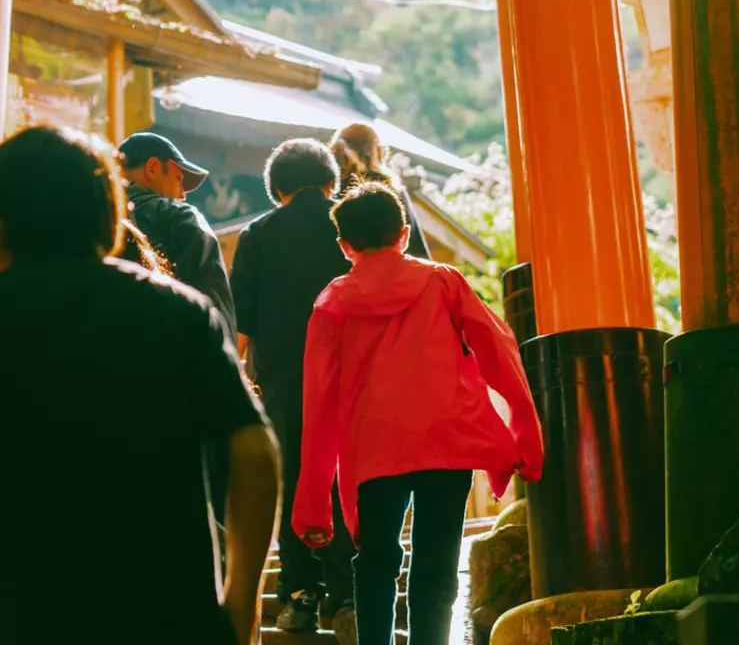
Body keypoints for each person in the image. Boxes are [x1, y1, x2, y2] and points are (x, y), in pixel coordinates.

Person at [0, 125, 280, 644]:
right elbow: (256, 454)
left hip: (17, 624)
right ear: (107, 221)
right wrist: (239, 605)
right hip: (172, 619)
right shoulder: (182, 314)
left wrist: (2, 586)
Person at [294, 183, 543, 645]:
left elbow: (318, 399)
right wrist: (524, 426)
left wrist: (312, 498)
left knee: (375, 561)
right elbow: (498, 346)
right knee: (437, 563)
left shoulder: (332, 304)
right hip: (448, 437)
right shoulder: (443, 281)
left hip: (374, 447)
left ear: (345, 246)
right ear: (404, 234)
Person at [229, 139, 355, 634]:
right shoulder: (348, 220)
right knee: (348, 478)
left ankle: (301, 595)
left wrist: (242, 378)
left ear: (276, 189)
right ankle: (348, 594)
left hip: (286, 380)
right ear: (332, 181)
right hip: (351, 373)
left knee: (299, 479)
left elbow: (244, 321)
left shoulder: (258, 233)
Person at [118, 130, 238, 335]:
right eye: (179, 179)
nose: (182, 195)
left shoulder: (92, 219)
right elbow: (215, 310)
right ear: (153, 168)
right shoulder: (181, 217)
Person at [329, 121, 430, 260]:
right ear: (378, 150)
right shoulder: (393, 190)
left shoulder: (333, 192)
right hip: (396, 275)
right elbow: (417, 248)